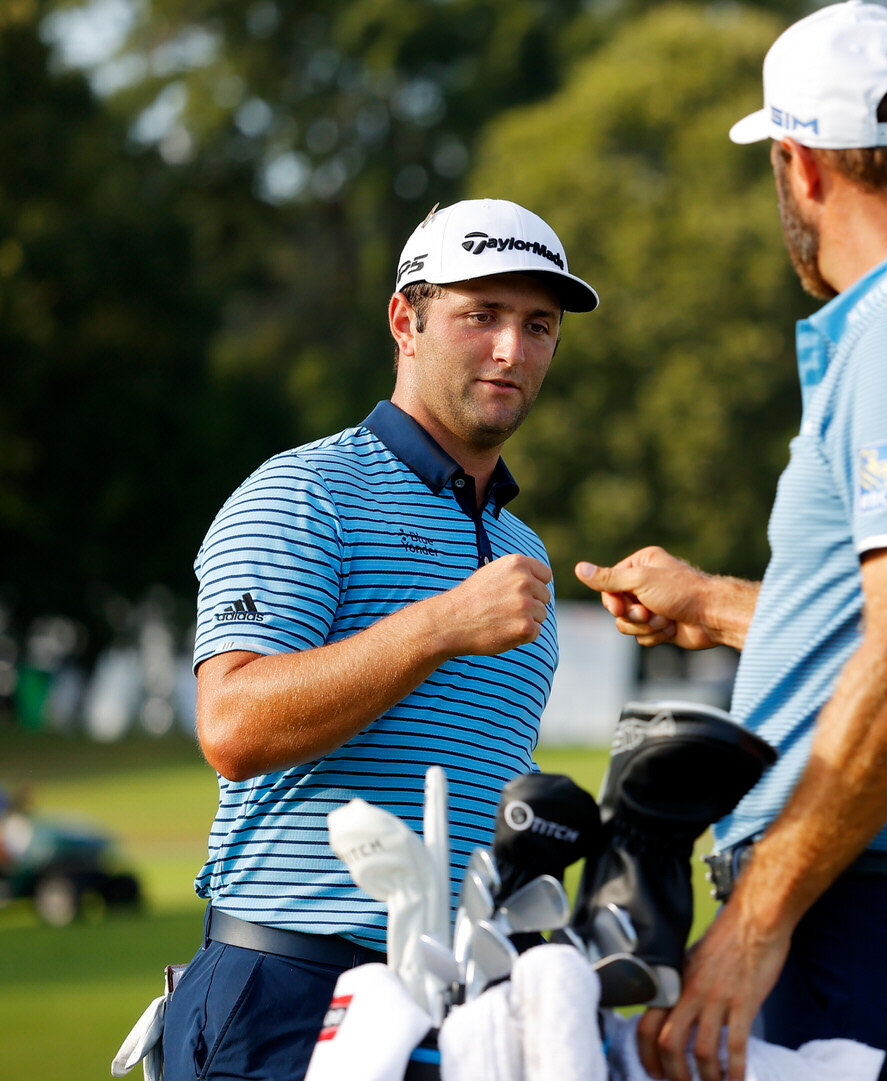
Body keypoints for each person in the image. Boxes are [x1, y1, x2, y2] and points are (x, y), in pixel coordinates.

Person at [574, 5, 887, 1080]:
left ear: (798, 168)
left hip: (854, 917)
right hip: (872, 909)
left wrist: (753, 922)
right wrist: (711, 602)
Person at [161, 198, 598, 1081]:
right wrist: (440, 624)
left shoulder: (522, 549)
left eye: (537, 324)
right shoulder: (303, 491)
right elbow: (233, 725)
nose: (512, 349)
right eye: (481, 315)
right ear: (407, 320)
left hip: (462, 999)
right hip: (288, 985)